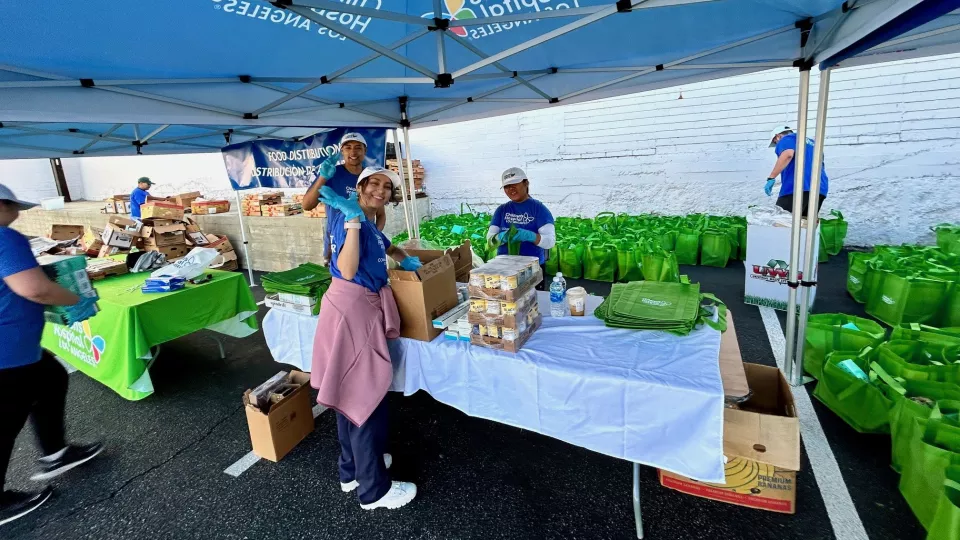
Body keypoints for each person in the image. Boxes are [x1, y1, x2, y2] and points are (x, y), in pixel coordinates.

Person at [311, 167, 421, 511]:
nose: (381, 190)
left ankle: (352, 470)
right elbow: (345, 268)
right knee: (364, 394)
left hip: (350, 306)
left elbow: (389, 246)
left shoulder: (367, 222)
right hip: (354, 309)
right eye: (375, 183)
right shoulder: (351, 219)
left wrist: (405, 260)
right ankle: (374, 491)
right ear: (360, 187)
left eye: (387, 187)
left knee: (347, 390)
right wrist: (354, 221)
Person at [0, 185, 103, 527]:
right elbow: (36, 290)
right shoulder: (5, 238)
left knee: (51, 378)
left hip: (19, 347)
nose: (18, 212)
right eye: (13, 206)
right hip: (8, 352)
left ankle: (55, 453)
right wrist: (77, 298)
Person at [302, 133, 387, 263]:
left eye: (358, 147)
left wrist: (374, 234)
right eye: (348, 147)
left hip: (365, 241)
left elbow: (381, 214)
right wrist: (323, 177)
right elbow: (307, 205)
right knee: (340, 280)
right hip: (336, 240)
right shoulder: (331, 173)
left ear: (365, 151)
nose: (353, 151)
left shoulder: (371, 177)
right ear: (342, 151)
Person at [486, 168, 556, 289]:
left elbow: (550, 242)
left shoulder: (538, 209)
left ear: (526, 183)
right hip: (505, 269)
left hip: (532, 269)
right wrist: (501, 237)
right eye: (507, 186)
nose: (511, 189)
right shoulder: (502, 210)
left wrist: (530, 236)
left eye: (515, 184)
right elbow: (489, 240)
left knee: (532, 304)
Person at [765, 125, 829, 216]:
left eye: (775, 142)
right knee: (805, 225)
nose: (777, 144)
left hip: (797, 187)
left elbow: (788, 155)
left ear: (778, 136)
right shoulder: (813, 143)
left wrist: (771, 177)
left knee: (781, 223)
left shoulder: (786, 139)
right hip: (820, 189)